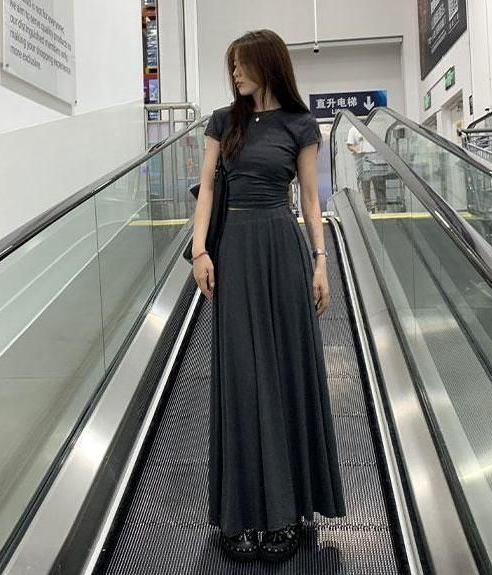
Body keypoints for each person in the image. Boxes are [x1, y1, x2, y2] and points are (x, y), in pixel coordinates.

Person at [190, 29, 346, 563]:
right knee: (240, 378)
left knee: (284, 374)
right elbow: (208, 189)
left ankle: (288, 513)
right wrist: (200, 251)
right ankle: (240, 513)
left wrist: (321, 262)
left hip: (282, 249)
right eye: (231, 65)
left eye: (242, 64)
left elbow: (310, 200)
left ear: (267, 64)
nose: (234, 73)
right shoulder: (222, 122)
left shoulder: (301, 124)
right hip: (233, 250)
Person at [346, 125, 388, 212]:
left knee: (379, 185)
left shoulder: (375, 126)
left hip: (377, 159)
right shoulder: (353, 129)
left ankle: (382, 209)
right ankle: (367, 209)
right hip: (363, 160)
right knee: (365, 186)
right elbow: (349, 145)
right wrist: (358, 151)